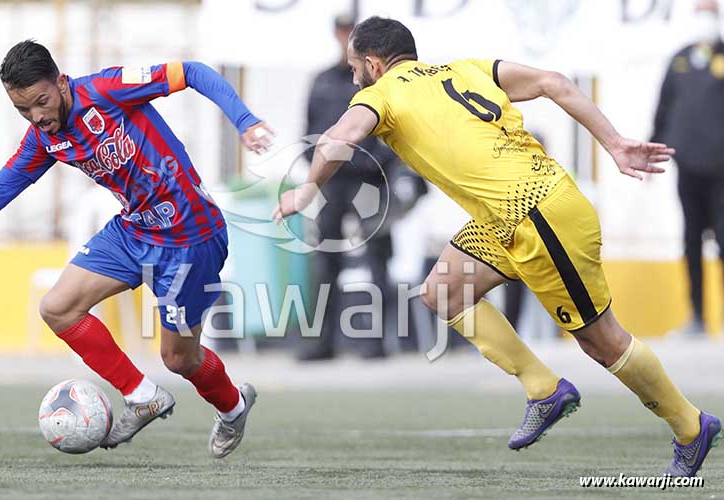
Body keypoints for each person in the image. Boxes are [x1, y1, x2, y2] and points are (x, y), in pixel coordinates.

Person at [273, 16, 720, 477]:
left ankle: (691, 426)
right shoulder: (466, 69)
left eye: (354, 69)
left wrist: (307, 190)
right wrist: (614, 144)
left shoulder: (379, 94)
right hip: (514, 212)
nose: (353, 80)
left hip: (536, 214)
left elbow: (338, 138)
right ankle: (544, 389)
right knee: (444, 291)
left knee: (602, 342)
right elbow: (553, 82)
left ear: (373, 64)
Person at [0, 40, 274, 458]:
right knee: (57, 308)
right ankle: (142, 395)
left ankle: (233, 406)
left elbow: (193, 72)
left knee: (179, 359)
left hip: (190, 238)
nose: (37, 116)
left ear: (61, 82)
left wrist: (245, 121)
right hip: (133, 230)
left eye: (41, 102)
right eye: (23, 110)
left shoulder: (107, 90)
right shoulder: (44, 139)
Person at [299, 13, 400, 360]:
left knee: (376, 260)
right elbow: (309, 132)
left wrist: (373, 164)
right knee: (326, 262)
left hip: (369, 182)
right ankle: (322, 342)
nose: (345, 38)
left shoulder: (375, 81)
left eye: (350, 32)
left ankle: (376, 342)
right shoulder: (323, 81)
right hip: (333, 183)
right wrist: (317, 167)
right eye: (341, 31)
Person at [652, 0, 724, 336]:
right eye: (700, 13)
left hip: (721, 169)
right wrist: (654, 147)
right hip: (688, 166)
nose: (704, 20)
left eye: (710, 13)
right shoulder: (679, 60)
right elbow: (664, 108)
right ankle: (697, 317)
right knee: (691, 241)